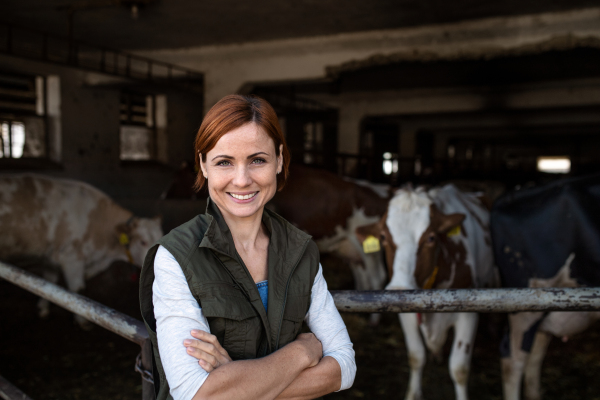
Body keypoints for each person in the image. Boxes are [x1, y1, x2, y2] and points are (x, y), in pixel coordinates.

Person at [140, 94, 356, 400]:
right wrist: (302, 353)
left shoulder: (300, 249)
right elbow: (195, 393)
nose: (241, 180)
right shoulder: (176, 256)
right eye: (224, 162)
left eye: (257, 160)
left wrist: (238, 381)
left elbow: (345, 369)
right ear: (203, 165)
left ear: (279, 159)